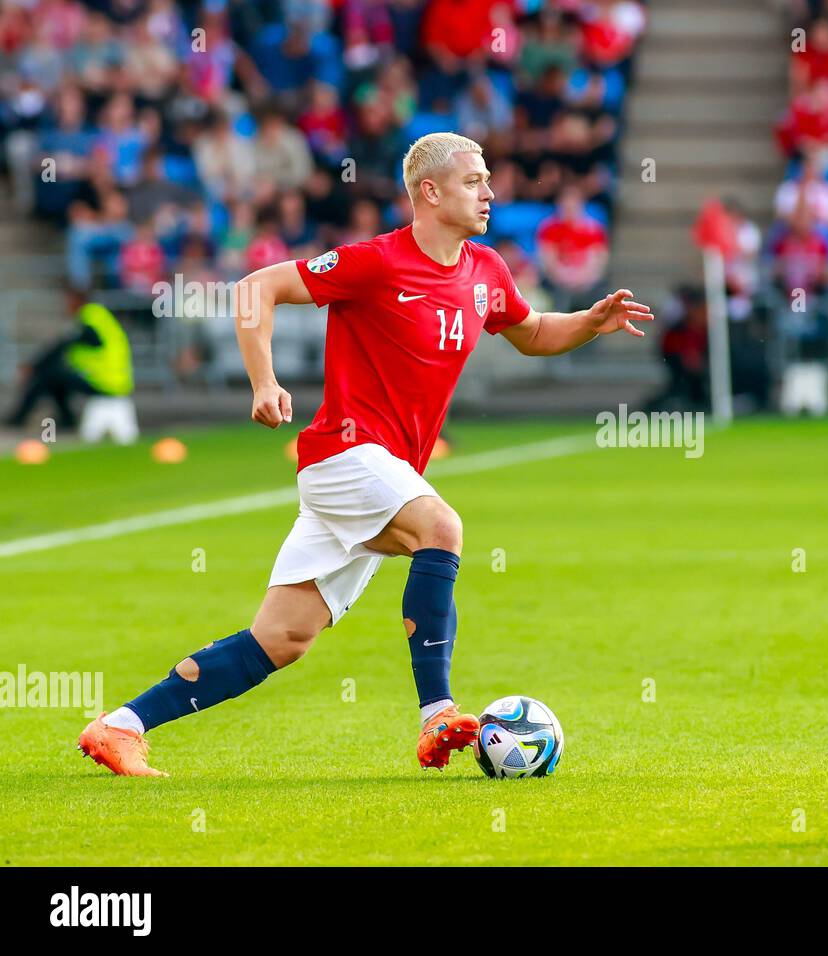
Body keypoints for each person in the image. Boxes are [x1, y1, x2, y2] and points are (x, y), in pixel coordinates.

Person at [77, 132, 653, 776]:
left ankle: (118, 726)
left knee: (282, 639)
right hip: (344, 453)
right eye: (474, 181)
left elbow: (534, 332)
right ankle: (437, 712)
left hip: (386, 470)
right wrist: (264, 382)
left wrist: (587, 321)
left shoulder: (486, 269)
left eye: (488, 180)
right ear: (429, 192)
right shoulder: (376, 263)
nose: (490, 192)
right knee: (443, 528)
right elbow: (255, 289)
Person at [5, 292, 133, 429]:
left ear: (79, 301)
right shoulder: (100, 318)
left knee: (47, 376)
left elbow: (62, 345)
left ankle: (18, 419)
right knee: (54, 379)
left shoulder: (90, 319)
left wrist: (34, 366)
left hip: (105, 382)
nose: (66, 306)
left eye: (69, 301)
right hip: (113, 381)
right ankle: (66, 420)